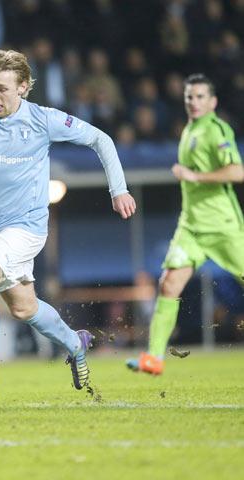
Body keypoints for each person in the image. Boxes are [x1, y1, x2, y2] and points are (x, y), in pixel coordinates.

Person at [0, 49, 136, 402]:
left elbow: (102, 139)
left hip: (27, 228)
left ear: (23, 87)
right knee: (23, 307)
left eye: (3, 89)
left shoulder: (43, 120)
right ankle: (76, 341)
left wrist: (119, 189)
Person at [127, 74, 244, 375]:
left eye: (200, 96)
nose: (193, 102)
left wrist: (196, 176)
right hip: (191, 226)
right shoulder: (189, 129)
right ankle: (154, 357)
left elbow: (236, 171)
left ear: (213, 101)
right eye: (190, 96)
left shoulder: (217, 130)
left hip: (222, 225)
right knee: (169, 283)